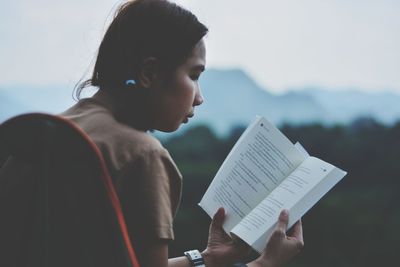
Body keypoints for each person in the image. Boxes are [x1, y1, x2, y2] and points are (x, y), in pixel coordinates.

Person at [61, 0, 304, 266]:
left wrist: (209, 259)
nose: (199, 98)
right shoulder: (141, 155)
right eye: (193, 75)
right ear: (149, 73)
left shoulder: (58, 127)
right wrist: (263, 264)